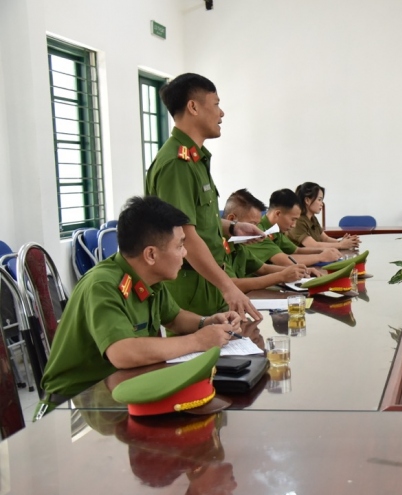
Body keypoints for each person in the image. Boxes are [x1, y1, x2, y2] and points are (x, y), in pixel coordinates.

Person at [38, 196, 240, 414]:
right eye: (180, 245)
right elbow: (123, 353)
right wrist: (198, 341)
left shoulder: (148, 277)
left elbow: (175, 318)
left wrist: (207, 322)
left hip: (121, 389)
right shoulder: (102, 285)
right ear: (151, 254)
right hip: (76, 405)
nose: (185, 253)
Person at [144, 73, 261, 320]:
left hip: (208, 282)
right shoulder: (177, 163)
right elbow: (185, 235)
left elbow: (198, 219)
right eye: (216, 104)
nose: (222, 113)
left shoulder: (194, 159)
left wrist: (232, 228)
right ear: (193, 107)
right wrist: (228, 286)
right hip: (192, 288)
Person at [221, 189, 323, 291]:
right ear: (231, 220)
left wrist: (301, 271)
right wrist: (281, 276)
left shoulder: (239, 245)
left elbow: (263, 268)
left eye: (257, 225)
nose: (257, 231)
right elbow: (232, 284)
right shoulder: (218, 246)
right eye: (252, 224)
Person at [233, 188, 340, 267]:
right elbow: (284, 261)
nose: (294, 225)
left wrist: (325, 250)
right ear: (278, 214)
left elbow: (296, 250)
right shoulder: (259, 230)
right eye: (293, 219)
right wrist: (321, 256)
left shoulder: (275, 230)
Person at [288, 182, 360, 249]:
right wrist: (341, 245)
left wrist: (343, 242)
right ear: (307, 200)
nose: (321, 204)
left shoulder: (312, 218)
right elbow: (313, 245)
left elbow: (325, 239)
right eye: (319, 200)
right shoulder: (298, 220)